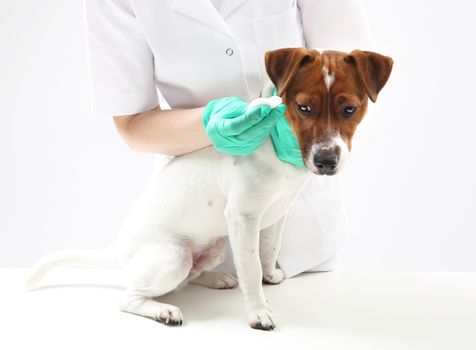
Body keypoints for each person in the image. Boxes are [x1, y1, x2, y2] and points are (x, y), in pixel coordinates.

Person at [84, 0, 374, 278]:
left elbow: (352, 76)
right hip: (197, 223)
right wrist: (210, 123)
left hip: (302, 234)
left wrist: (300, 130)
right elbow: (132, 124)